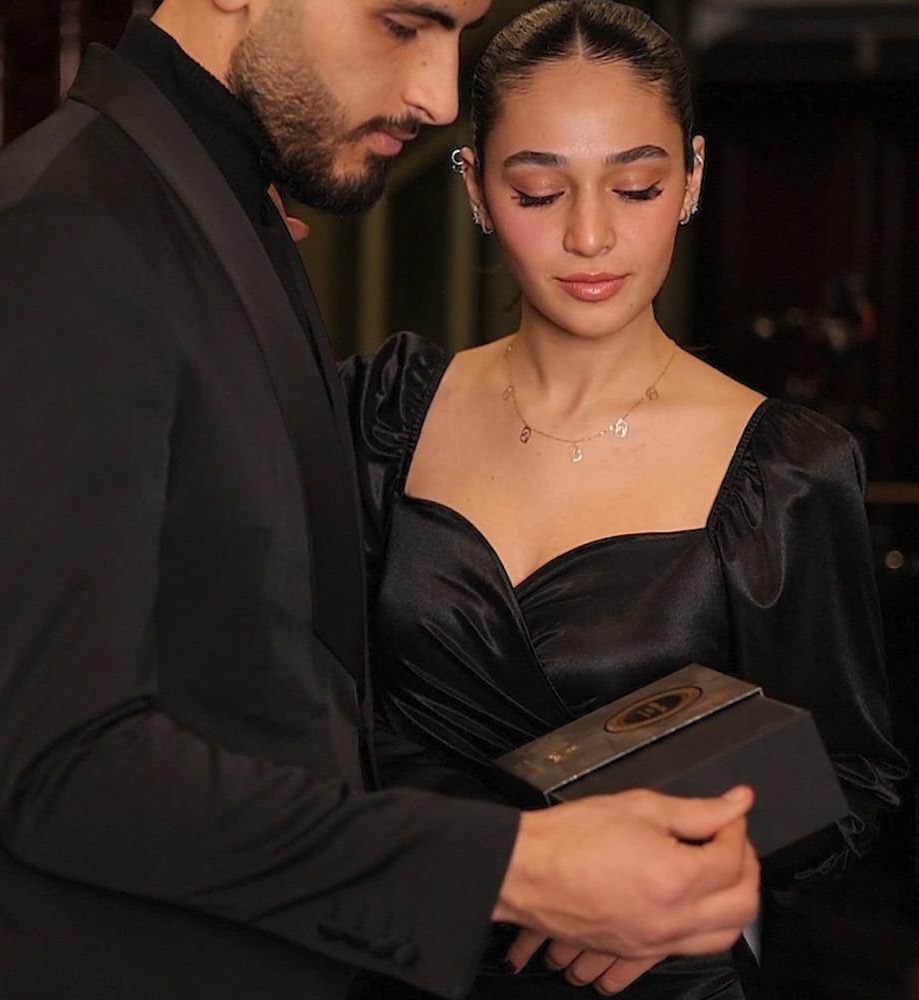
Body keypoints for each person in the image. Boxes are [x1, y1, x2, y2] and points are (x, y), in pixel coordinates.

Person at [0, 1, 762, 999]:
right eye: (401, 24)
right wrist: (517, 869)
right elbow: (67, 770)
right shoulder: (67, 232)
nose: (438, 96)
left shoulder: (214, 211)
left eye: (458, 33)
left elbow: (272, 683)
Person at [339, 1, 907, 997]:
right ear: (474, 187)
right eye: (538, 190)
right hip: (403, 957)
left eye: (636, 186)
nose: (591, 234)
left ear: (691, 177)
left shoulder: (785, 469)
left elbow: (849, 777)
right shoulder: (384, 413)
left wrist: (687, 885)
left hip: (641, 974)